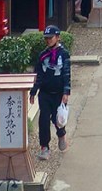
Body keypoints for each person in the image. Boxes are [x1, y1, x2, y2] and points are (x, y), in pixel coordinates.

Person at [30, 25, 72, 160]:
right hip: (45, 92)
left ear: (57, 37)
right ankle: (44, 147)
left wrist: (66, 92)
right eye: (46, 38)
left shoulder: (64, 54)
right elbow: (39, 75)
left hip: (59, 92)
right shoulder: (42, 55)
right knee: (43, 119)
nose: (48, 41)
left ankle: (61, 134)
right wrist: (33, 91)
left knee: (57, 118)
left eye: (51, 38)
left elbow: (66, 73)